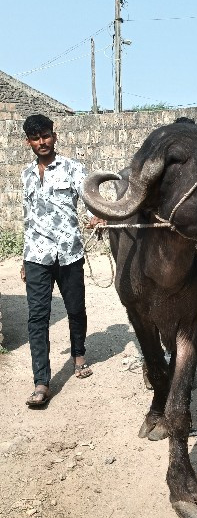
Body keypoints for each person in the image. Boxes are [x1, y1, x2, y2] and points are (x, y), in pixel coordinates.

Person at [21, 113, 103, 407]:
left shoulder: (73, 168)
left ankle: (78, 357)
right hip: (36, 256)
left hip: (69, 254)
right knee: (37, 318)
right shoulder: (27, 174)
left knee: (75, 309)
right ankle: (41, 382)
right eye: (35, 138)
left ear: (54, 136)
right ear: (28, 141)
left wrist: (98, 215)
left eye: (46, 136)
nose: (42, 142)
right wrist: (23, 259)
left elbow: (91, 197)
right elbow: (27, 219)